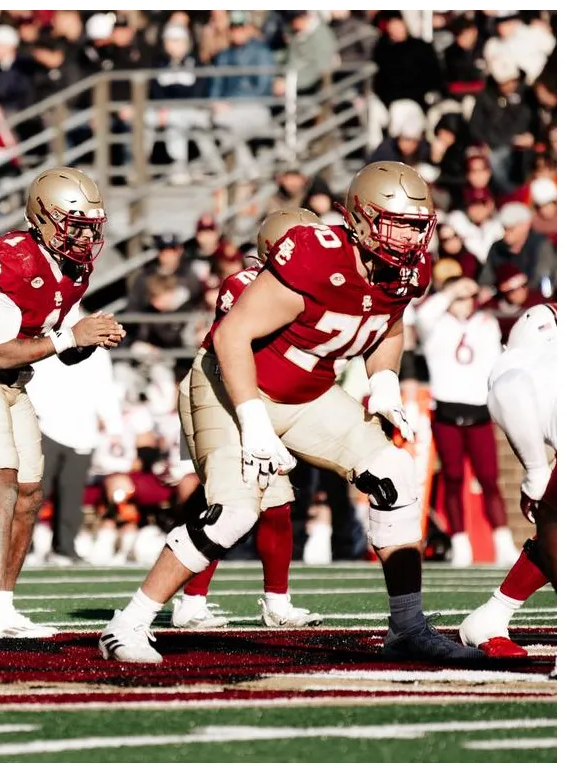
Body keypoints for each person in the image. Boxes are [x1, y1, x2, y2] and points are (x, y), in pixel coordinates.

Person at [100, 161, 483, 664]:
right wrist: (253, 421)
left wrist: (384, 381)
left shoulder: (408, 271)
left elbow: (389, 326)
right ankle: (126, 624)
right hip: (230, 386)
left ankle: (408, 627)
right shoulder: (314, 256)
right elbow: (231, 337)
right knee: (234, 515)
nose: (412, 239)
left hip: (309, 394)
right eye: (399, 225)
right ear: (362, 220)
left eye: (418, 226)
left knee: (395, 473)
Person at [0, 166, 125, 638]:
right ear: (43, 217)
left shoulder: (74, 269)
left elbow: (59, 351)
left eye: (89, 227)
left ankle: (6, 606)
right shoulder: (12, 258)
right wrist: (70, 336)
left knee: (30, 493)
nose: (84, 237)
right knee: (1, 486)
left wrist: (89, 340)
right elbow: (0, 351)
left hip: (13, 382)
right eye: (75, 225)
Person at [172, 207, 325, 631]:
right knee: (227, 502)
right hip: (215, 390)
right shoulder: (243, 284)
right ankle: (189, 602)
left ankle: (277, 603)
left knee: (277, 505)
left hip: (254, 398)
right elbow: (239, 349)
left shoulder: (311, 293)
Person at [459, 304, 556, 663]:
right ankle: (491, 616)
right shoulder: (524, 364)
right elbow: (509, 389)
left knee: (554, 532)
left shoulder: (527, 361)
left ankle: (491, 616)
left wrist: (537, 472)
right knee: (555, 531)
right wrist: (536, 473)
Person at [414, 276, 517, 567]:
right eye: (458, 297)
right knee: (453, 477)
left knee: (489, 478)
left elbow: (496, 363)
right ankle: (460, 542)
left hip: (479, 409)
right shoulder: (435, 324)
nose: (464, 302)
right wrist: (450, 293)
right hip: (447, 408)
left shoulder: (485, 323)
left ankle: (503, 542)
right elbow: (423, 315)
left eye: (467, 297)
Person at [26, 345, 123, 564]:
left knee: (71, 494)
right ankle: (24, 546)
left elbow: (105, 388)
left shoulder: (99, 353)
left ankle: (65, 548)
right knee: (34, 491)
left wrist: (114, 427)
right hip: (44, 427)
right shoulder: (50, 342)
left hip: (82, 432)